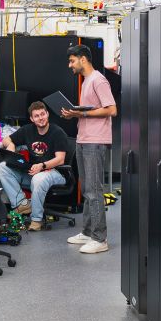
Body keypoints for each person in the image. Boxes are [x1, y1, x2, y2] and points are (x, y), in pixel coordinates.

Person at [60, 44, 116, 254]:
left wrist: (81, 114)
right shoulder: (85, 82)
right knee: (87, 189)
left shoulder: (99, 80)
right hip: (83, 139)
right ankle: (87, 231)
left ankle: (100, 238)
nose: (70, 65)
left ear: (83, 59)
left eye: (72, 60)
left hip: (95, 141)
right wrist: (74, 113)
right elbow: (90, 109)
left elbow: (112, 109)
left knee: (95, 191)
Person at [0, 101, 68, 232]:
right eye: (36, 116)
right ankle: (22, 204)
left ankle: (36, 219)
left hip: (54, 172)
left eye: (43, 114)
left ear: (47, 114)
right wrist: (11, 145)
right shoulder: (28, 130)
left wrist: (42, 165)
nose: (41, 118)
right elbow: (6, 139)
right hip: (33, 172)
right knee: (2, 167)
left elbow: (60, 159)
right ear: (32, 119)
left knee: (38, 178)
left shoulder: (57, 132)